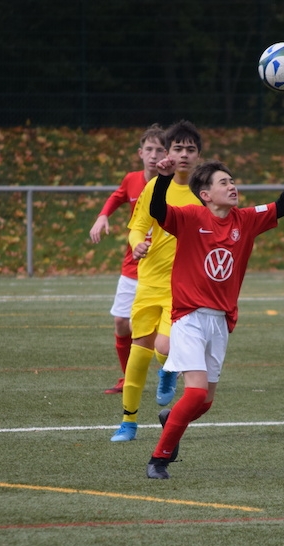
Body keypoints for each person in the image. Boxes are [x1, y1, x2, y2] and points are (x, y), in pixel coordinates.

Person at [143, 143, 284, 478]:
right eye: (223, 183)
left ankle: (170, 418)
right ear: (205, 195)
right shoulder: (191, 218)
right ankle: (158, 459)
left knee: (203, 403)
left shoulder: (245, 220)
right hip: (188, 318)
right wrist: (163, 179)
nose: (232, 186)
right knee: (195, 392)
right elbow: (159, 211)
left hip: (220, 321)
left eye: (232, 181)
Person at [109, 120, 204, 443]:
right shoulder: (155, 187)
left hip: (183, 286)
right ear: (169, 152)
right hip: (148, 281)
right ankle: (128, 422)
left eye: (191, 150)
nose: (184, 155)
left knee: (163, 348)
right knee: (138, 353)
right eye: (178, 148)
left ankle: (169, 369)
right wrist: (137, 243)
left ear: (198, 156)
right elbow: (137, 226)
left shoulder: (204, 191)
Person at [89, 125, 167, 394]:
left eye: (160, 150)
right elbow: (117, 196)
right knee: (122, 323)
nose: (154, 155)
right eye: (149, 149)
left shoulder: (176, 183)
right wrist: (102, 216)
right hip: (132, 263)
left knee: (153, 329)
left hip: (164, 266)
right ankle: (127, 378)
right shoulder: (132, 179)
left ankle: (170, 367)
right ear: (140, 153)